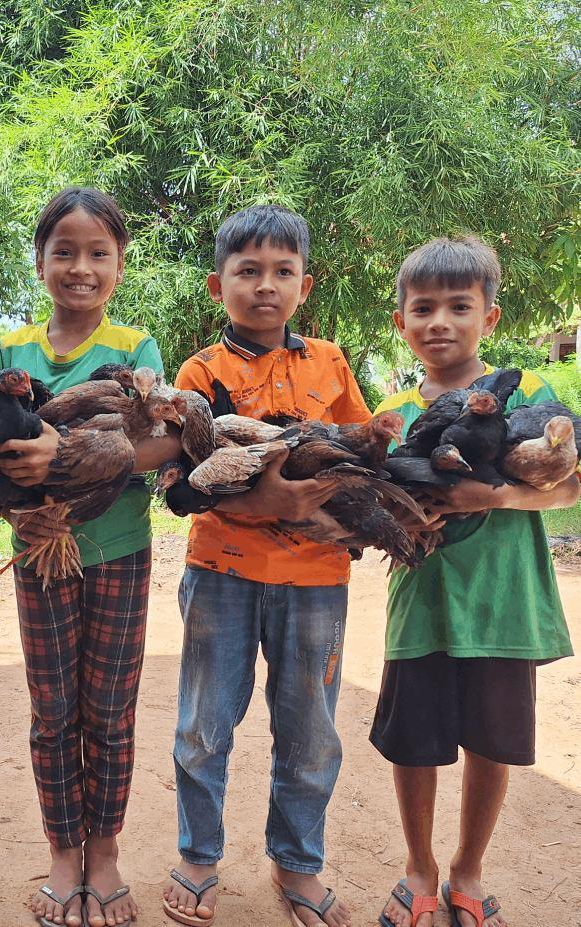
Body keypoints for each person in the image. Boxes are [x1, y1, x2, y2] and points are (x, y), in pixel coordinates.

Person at [163, 204, 369, 927]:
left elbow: (355, 459)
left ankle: (297, 861)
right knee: (203, 723)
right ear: (218, 286)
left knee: (310, 730)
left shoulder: (331, 362)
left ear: (304, 286)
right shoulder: (198, 372)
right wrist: (261, 498)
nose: (265, 286)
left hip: (317, 580)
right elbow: (178, 488)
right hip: (220, 571)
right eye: (247, 271)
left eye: (282, 272)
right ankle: (198, 854)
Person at [370, 236, 576, 927]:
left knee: (494, 740)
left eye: (459, 306)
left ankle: (468, 869)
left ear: (488, 317)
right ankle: (419, 866)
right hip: (422, 599)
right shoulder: (394, 406)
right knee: (414, 740)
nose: (440, 322)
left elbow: (570, 486)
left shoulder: (537, 396)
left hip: (503, 600)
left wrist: (500, 498)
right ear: (401, 322)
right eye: (422, 307)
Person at [0, 187, 170, 927]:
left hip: (119, 549)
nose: (81, 267)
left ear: (120, 264)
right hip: (37, 552)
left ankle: (106, 850)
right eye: (64, 251)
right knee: (52, 707)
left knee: (110, 710)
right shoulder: (10, 352)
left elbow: (162, 442)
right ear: (39, 261)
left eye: (98, 253)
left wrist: (84, 455)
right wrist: (19, 510)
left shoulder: (135, 351)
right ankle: (64, 850)